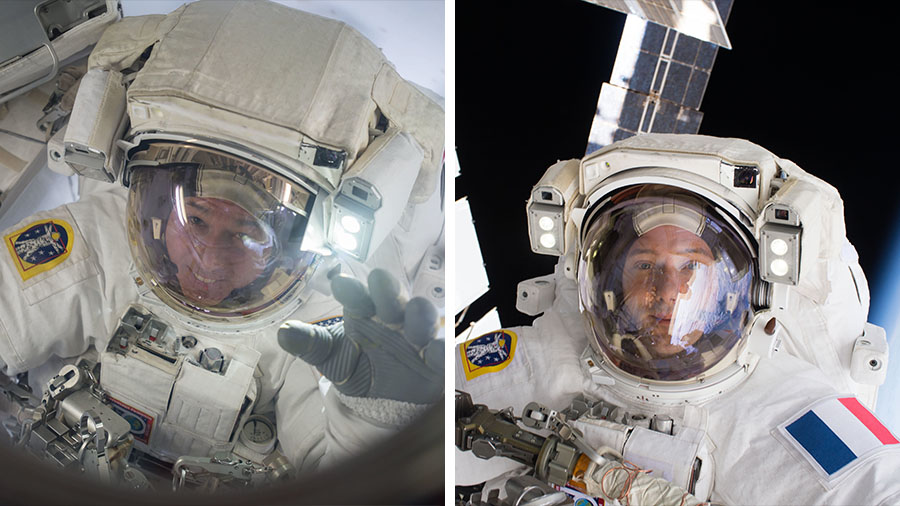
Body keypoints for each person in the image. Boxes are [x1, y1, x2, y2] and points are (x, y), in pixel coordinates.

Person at [0, 0, 443, 493]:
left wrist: (373, 413)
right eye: (197, 220)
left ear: (294, 248)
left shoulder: (323, 312)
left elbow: (336, 473)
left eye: (247, 235)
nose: (208, 260)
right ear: (157, 210)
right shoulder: (99, 241)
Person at [455, 133, 900, 505]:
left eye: (691, 267)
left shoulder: (787, 412)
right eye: (645, 264)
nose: (667, 291)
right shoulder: (552, 356)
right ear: (607, 282)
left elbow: (876, 486)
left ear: (735, 290)